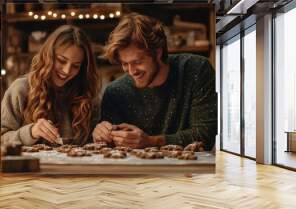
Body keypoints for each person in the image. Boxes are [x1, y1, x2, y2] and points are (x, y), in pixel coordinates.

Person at [92, 13, 217, 150]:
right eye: (124, 64)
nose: (131, 71)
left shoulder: (196, 70)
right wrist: (101, 135)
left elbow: (205, 134)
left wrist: (151, 141)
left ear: (157, 52)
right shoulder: (115, 92)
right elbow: (109, 148)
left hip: (189, 169)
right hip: (136, 170)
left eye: (137, 62)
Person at [1, 25, 101, 146]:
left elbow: (94, 144)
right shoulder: (21, 89)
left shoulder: (86, 94)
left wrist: (102, 133)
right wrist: (31, 132)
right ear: (48, 56)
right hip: (31, 165)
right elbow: (0, 139)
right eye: (61, 60)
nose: (67, 70)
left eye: (76, 66)